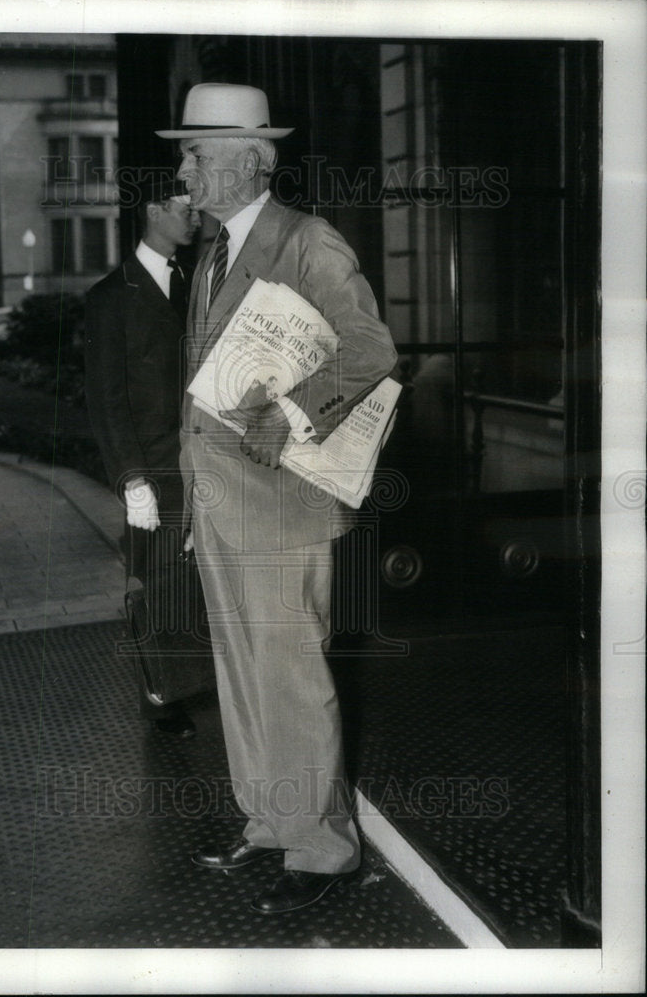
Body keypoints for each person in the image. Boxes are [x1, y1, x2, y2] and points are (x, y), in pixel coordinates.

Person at [157, 84, 398, 912]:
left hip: (283, 504)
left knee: (290, 672)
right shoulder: (213, 252)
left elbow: (369, 344)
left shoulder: (306, 241)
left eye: (195, 152)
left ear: (250, 161)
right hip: (219, 503)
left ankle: (323, 850)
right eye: (185, 151)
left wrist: (293, 409)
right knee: (242, 672)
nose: (182, 165)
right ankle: (269, 825)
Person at [84, 175, 201, 738]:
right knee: (154, 587)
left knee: (206, 584)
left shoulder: (197, 283)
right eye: (185, 207)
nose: (196, 216)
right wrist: (132, 480)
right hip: (155, 471)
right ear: (155, 211)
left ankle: (204, 682)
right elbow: (106, 399)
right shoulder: (111, 297)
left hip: (207, 462)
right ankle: (161, 700)